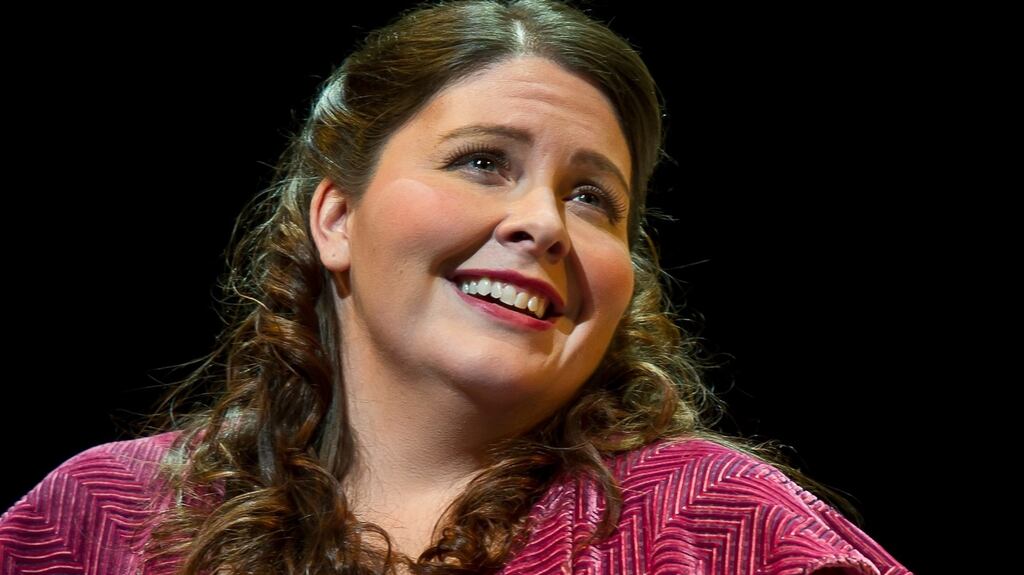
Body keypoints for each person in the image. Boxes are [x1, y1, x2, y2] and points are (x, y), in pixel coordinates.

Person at [0, 1, 911, 573]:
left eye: (593, 197)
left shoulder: (712, 524)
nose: (546, 223)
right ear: (337, 218)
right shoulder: (99, 519)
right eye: (483, 162)